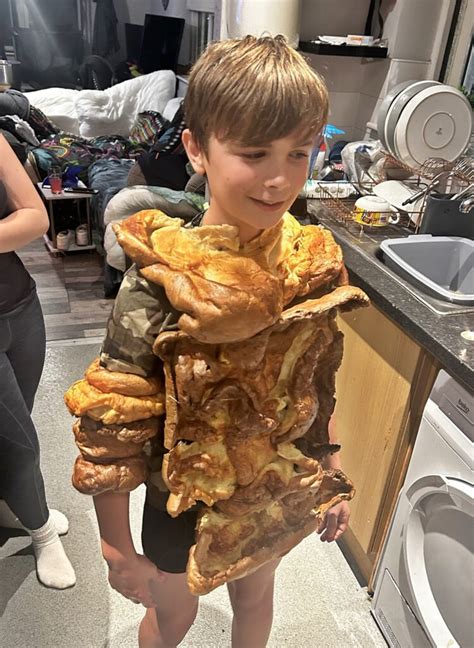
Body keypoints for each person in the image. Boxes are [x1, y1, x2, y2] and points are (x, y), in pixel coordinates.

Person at [69, 35, 355, 646]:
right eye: (254, 153)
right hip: (180, 493)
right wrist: (115, 544)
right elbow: (114, 417)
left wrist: (329, 468)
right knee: (174, 615)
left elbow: (316, 379)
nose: (279, 179)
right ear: (197, 149)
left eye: (299, 153)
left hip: (270, 481)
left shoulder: (307, 262)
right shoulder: (161, 280)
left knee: (256, 601)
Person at [0, 134, 76, 589]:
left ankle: (9, 502)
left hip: (22, 307)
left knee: (14, 428)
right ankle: (42, 532)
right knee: (21, 441)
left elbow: (35, 218)